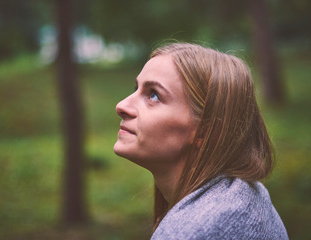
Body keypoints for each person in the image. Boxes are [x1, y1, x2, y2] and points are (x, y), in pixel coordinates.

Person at [114, 42, 288, 239]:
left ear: (207, 131)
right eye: (136, 88)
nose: (122, 105)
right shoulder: (244, 193)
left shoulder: (191, 231)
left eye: (154, 95)